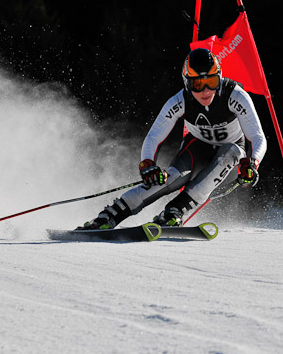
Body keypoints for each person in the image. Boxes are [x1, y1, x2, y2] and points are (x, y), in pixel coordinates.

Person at [79, 48, 267, 229]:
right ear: (187, 83)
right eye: (198, 84)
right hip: (198, 148)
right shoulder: (180, 100)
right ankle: (111, 214)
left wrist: (252, 163)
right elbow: (154, 135)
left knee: (232, 152)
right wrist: (148, 165)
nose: (206, 91)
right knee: (172, 177)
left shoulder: (235, 95)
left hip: (231, 159)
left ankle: (174, 211)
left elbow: (258, 136)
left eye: (212, 81)